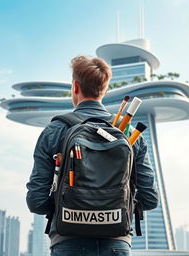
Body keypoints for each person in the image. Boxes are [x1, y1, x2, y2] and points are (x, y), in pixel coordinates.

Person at [26, 55, 158, 256]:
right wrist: (116, 208)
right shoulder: (130, 133)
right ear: (104, 90)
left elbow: (36, 201)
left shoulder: (54, 131)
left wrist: (66, 206)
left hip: (67, 243)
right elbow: (149, 199)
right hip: (117, 244)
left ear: (75, 87)